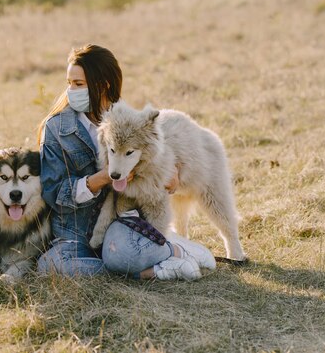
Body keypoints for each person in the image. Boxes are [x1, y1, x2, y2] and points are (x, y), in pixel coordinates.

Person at [36, 44, 215, 280]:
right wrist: (98, 180)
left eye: (78, 84)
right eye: (69, 83)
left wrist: (173, 173)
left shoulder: (126, 120)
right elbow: (53, 192)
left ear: (103, 85)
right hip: (75, 230)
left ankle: (173, 248)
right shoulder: (57, 128)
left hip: (121, 219)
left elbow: (154, 156)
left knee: (118, 253)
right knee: (50, 266)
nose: (71, 91)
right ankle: (160, 267)